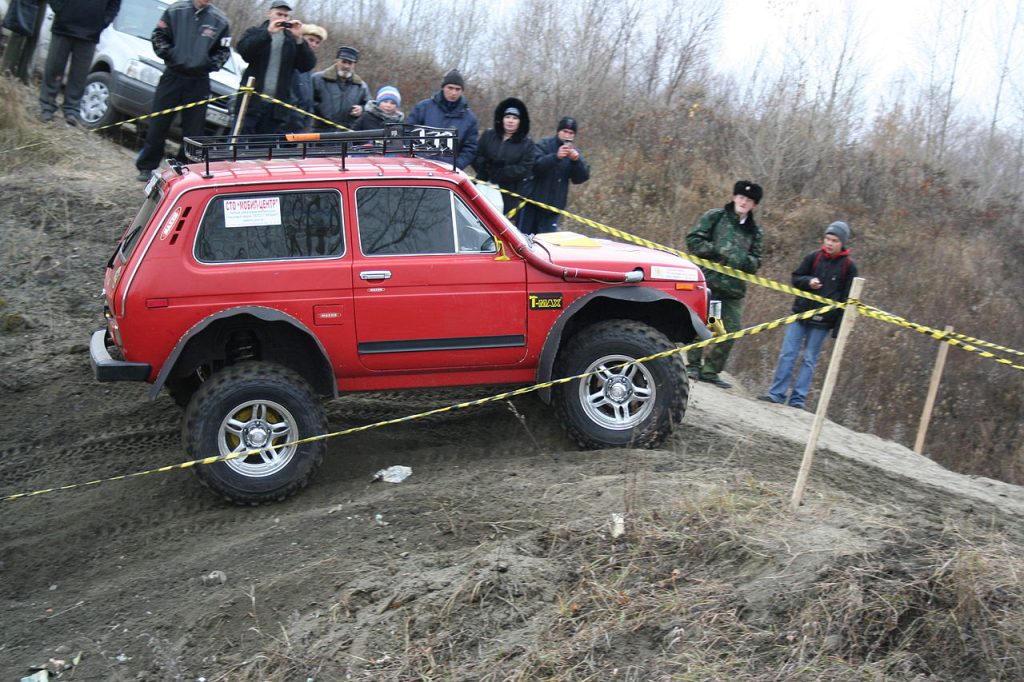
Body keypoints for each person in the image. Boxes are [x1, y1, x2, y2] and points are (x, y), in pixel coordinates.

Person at [759, 222, 859, 409]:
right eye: (827, 239)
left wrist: (839, 328)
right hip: (800, 314)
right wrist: (808, 281)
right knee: (788, 354)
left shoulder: (849, 266)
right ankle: (776, 394)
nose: (829, 243)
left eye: (834, 240)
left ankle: (798, 400)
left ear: (842, 243)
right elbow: (796, 277)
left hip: (823, 321)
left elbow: (848, 299)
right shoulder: (813, 257)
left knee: (809, 360)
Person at [134, 0, 231, 181]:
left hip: (199, 81)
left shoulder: (220, 21)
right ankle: (146, 167)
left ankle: (184, 170)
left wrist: (208, 65)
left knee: (193, 132)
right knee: (159, 124)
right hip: (172, 76)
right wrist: (171, 55)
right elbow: (158, 36)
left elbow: (224, 51)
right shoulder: (176, 11)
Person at [684, 180, 765, 388]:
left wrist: (741, 259)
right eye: (741, 197)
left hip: (732, 289)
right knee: (703, 324)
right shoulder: (715, 216)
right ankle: (692, 365)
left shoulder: (755, 231)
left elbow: (757, 261)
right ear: (734, 197)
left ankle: (710, 371)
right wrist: (716, 250)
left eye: (748, 200)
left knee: (730, 330)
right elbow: (693, 240)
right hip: (708, 281)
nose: (743, 202)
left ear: (754, 205)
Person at [236, 0, 315, 135]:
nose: (282, 19)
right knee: (239, 145)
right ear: (269, 14)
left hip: (275, 108)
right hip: (250, 103)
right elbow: (244, 52)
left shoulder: (292, 41)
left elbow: (307, 65)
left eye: (286, 16)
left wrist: (299, 39)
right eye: (279, 14)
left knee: (263, 151)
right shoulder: (256, 32)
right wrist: (267, 34)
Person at [38, 0, 121, 125]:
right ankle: (47, 107)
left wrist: (103, 21)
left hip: (90, 34)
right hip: (63, 26)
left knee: (79, 75)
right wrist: (60, 10)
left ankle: (71, 110)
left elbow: (114, 5)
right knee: (54, 68)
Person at [516, 116, 590, 235]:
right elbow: (534, 166)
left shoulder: (574, 152)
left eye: (571, 133)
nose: (567, 135)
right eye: (564, 131)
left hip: (553, 209)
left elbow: (581, 177)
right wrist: (555, 157)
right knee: (523, 241)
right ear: (558, 131)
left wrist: (576, 161)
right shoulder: (544, 144)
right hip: (532, 204)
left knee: (546, 245)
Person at [472, 97, 534, 216]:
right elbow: (476, 155)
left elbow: (525, 168)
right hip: (482, 187)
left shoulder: (527, 144)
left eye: (514, 118)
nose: (510, 121)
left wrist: (502, 172)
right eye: (507, 117)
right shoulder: (488, 135)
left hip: (508, 195)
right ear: (502, 118)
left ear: (520, 121)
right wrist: (485, 167)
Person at [405, 69, 478, 169]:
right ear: (443, 87)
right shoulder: (423, 108)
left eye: (457, 89)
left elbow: (470, 148)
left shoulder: (469, 118)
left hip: (447, 172)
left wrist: (457, 165)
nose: (453, 92)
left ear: (462, 91)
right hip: (418, 166)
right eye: (450, 88)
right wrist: (415, 156)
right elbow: (407, 133)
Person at [311, 45, 370, 131]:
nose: (346, 66)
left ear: (354, 65)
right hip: (321, 131)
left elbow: (370, 106)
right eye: (344, 62)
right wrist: (322, 108)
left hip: (347, 134)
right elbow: (308, 102)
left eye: (350, 63)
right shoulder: (318, 79)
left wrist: (362, 109)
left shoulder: (361, 86)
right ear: (336, 61)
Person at [285, 23, 326, 133]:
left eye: (317, 42)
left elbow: (308, 97)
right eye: (311, 40)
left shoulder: (308, 68)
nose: (314, 44)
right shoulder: (291, 58)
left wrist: (307, 121)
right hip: (286, 119)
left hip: (300, 122)